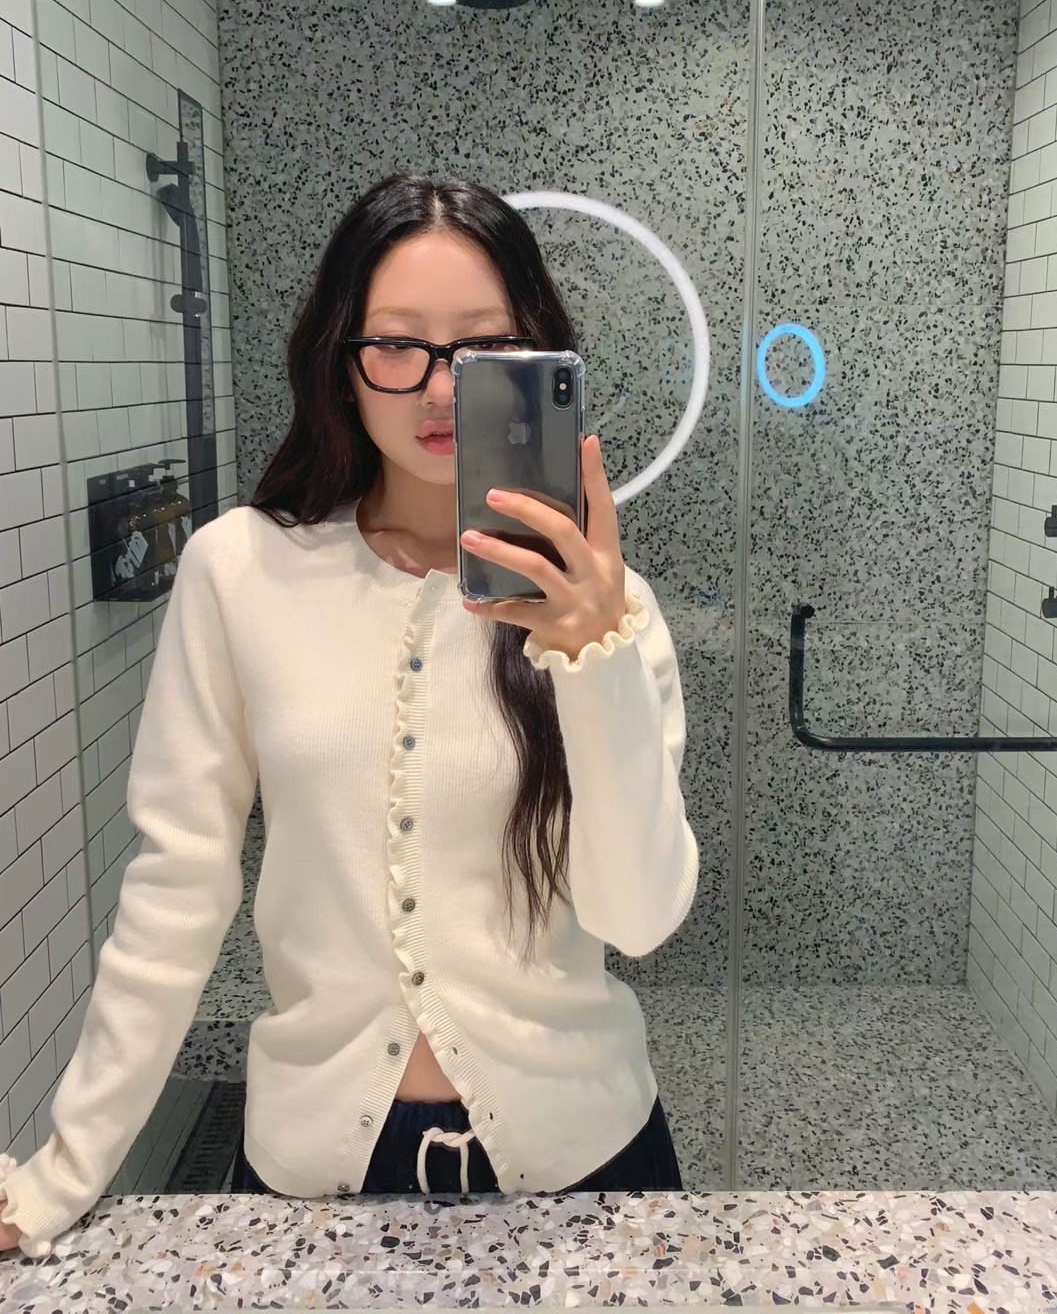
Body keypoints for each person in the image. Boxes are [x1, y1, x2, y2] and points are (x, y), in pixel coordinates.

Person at [0, 174, 699, 1258]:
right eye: (397, 344)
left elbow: (641, 917)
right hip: (310, 1174)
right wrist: (66, 1168)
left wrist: (591, 655)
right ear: (341, 356)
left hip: (590, 1169)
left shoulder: (613, 610)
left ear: (535, 359)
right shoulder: (240, 570)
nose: (439, 386)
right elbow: (177, 889)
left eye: (482, 348)